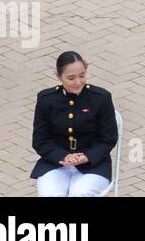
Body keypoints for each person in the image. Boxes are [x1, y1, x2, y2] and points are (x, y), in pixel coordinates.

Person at [30, 51, 118, 196]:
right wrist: (63, 156)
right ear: (59, 77)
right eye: (71, 78)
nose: (78, 82)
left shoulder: (101, 98)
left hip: (93, 165)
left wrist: (87, 156)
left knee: (79, 194)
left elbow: (108, 139)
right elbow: (41, 141)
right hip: (55, 164)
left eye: (82, 75)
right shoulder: (46, 99)